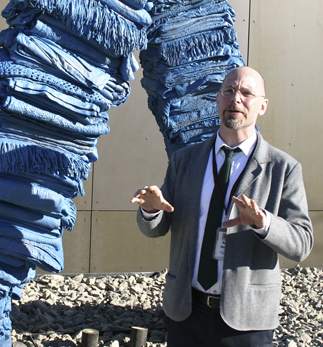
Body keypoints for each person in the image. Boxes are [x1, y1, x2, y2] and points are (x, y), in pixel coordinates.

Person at [131, 66, 313, 347]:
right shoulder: (185, 161)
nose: (236, 98)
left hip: (246, 319)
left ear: (262, 106)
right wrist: (151, 211)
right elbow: (156, 229)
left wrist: (263, 222)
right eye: (228, 91)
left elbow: (301, 244)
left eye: (247, 93)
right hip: (186, 313)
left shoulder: (283, 168)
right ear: (217, 100)